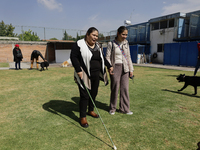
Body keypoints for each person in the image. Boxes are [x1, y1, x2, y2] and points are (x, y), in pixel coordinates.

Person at [70, 27, 113, 128]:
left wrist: (109, 66)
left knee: (94, 93)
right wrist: (78, 70)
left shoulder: (98, 46)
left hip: (96, 74)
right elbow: (73, 57)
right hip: (83, 74)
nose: (95, 38)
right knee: (84, 95)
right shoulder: (79, 44)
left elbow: (102, 57)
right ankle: (83, 117)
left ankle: (91, 110)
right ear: (88, 34)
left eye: (97, 36)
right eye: (93, 35)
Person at [106, 26, 134, 115]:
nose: (125, 36)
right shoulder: (111, 44)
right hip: (115, 67)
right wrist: (109, 66)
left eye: (126, 35)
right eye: (123, 34)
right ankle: (112, 108)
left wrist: (131, 69)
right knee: (115, 88)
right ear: (118, 33)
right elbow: (107, 57)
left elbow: (128, 56)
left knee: (125, 88)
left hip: (125, 67)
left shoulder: (126, 43)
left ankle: (125, 109)